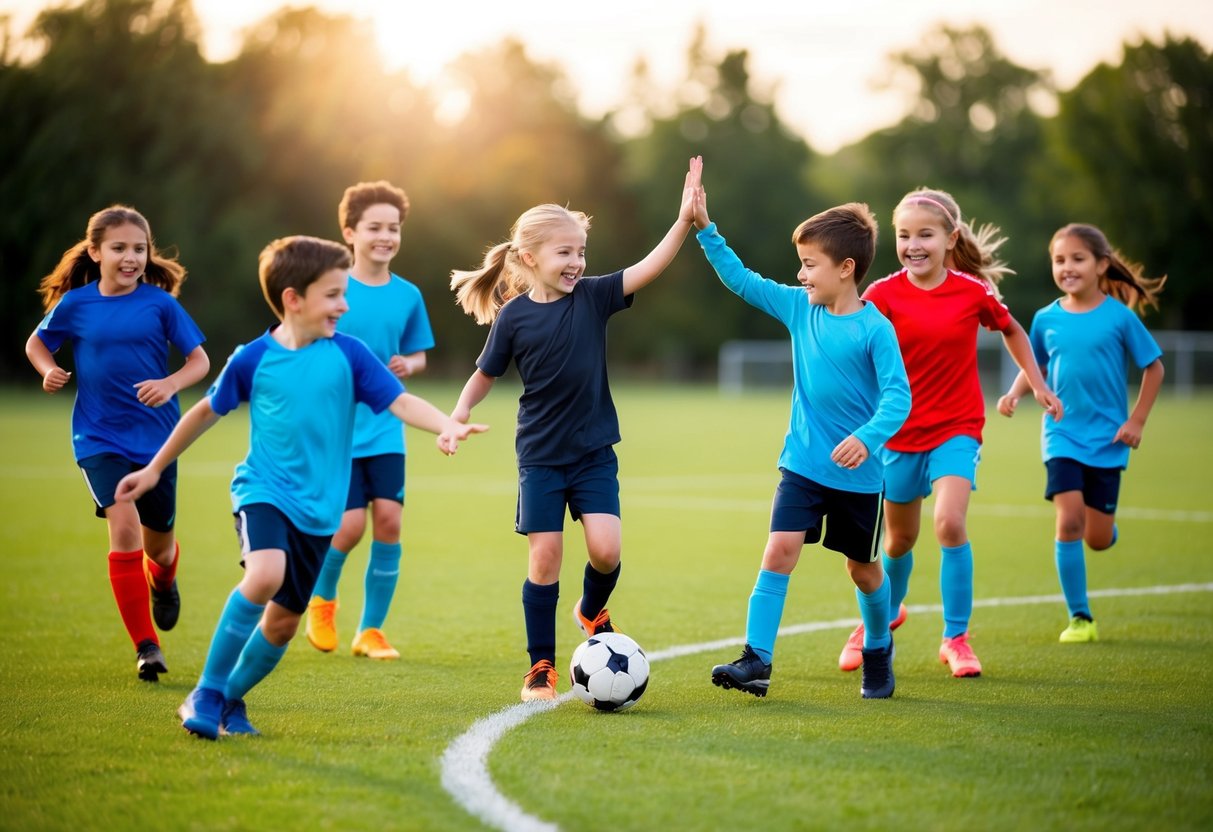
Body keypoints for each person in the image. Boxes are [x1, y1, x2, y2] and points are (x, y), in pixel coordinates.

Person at [115, 235, 485, 740]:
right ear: (294, 299)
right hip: (263, 491)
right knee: (265, 574)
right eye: (333, 294)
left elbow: (398, 402)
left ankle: (229, 700)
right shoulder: (253, 358)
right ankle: (205, 690)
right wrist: (156, 467)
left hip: (320, 513)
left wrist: (445, 424)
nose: (344, 305)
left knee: (283, 625)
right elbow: (204, 411)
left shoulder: (349, 354)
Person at [449, 156, 703, 702]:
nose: (576, 262)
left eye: (580, 252)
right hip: (540, 455)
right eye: (565, 252)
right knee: (544, 558)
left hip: (592, 452)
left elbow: (649, 267)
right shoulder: (513, 317)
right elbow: (484, 374)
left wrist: (682, 221)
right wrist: (459, 413)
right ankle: (539, 666)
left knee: (606, 550)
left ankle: (590, 610)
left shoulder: (593, 296)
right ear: (528, 257)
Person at [837, 188, 1063, 679]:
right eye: (903, 235)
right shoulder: (881, 295)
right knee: (898, 542)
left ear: (950, 239)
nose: (913, 244)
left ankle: (956, 638)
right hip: (896, 436)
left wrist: (1036, 386)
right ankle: (883, 615)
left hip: (957, 428)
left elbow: (1013, 331)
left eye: (925, 234)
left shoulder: (971, 291)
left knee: (949, 524)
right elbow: (853, 348)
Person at [696, 192, 911, 700]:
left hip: (859, 477)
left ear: (846, 268)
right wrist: (707, 229)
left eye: (810, 265)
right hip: (803, 465)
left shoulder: (875, 329)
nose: (801, 276)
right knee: (779, 550)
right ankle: (757, 660)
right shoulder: (799, 309)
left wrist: (867, 438)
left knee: (863, 571)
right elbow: (742, 280)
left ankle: (877, 647)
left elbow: (898, 399)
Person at [24, 205, 209, 682]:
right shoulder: (76, 305)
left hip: (158, 442)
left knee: (160, 550)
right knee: (122, 526)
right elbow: (37, 344)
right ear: (95, 251)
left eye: (139, 249)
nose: (131, 258)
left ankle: (163, 581)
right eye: (120, 248)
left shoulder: (161, 304)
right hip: (98, 436)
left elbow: (199, 361)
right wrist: (49, 370)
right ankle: (146, 646)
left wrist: (170, 384)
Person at [997, 223, 1164, 643]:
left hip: (1108, 440)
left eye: (1077, 258)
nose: (1067, 267)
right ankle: (1081, 618)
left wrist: (1137, 420)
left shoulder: (1119, 318)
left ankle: (1105, 528)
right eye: (1059, 260)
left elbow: (1154, 367)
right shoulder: (1045, 318)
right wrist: (1016, 394)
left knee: (1098, 539)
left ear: (1101, 264)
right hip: (1062, 435)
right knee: (1068, 521)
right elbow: (1033, 365)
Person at [304, 181, 435, 661]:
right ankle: (321, 601)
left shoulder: (407, 294)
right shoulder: (332, 286)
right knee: (347, 528)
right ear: (349, 232)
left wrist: (409, 366)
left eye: (393, 228)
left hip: (386, 423)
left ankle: (370, 631)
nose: (385, 236)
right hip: (336, 428)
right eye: (375, 227)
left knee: (389, 521)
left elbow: (418, 354)